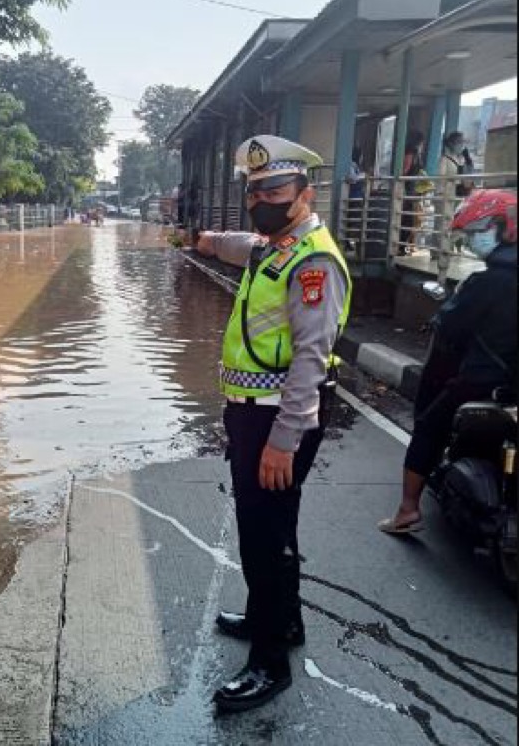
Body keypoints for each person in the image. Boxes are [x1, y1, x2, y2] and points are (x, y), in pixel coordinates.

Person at [212, 134, 352, 713]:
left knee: (263, 538)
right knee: (276, 530)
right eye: (253, 190)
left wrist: (283, 443)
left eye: (273, 188)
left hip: (278, 422)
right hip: (254, 417)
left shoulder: (312, 262)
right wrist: (201, 238)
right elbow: (241, 244)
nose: (260, 199)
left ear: (305, 193)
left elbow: (311, 359)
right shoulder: (276, 246)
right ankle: (281, 621)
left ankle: (270, 664)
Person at [378, 189, 517, 535]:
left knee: (428, 426)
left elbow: (452, 325)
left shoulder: (486, 283)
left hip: (486, 380)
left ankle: (407, 510)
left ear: (504, 228)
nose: (472, 241)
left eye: (477, 232)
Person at [398, 130, 426, 255]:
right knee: (408, 218)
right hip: (410, 190)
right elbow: (405, 170)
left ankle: (403, 245)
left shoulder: (412, 153)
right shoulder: (412, 153)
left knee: (408, 218)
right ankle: (402, 245)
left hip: (411, 190)